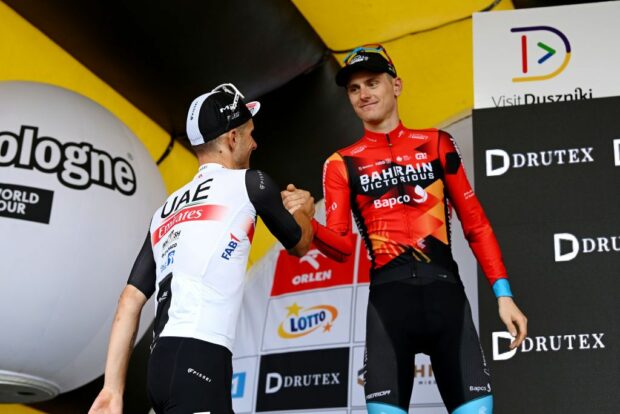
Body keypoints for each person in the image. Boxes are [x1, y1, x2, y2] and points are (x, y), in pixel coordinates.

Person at [282, 45, 527, 414]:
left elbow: (475, 223)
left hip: (447, 300)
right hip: (389, 307)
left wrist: (503, 294)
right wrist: (308, 222)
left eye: (373, 82)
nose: (364, 93)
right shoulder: (340, 164)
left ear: (396, 85)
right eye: (354, 88)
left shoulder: (436, 144)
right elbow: (344, 248)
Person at [89, 83, 314, 414]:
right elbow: (301, 244)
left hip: (161, 366)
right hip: (200, 358)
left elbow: (130, 299)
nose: (255, 143)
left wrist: (111, 389)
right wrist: (304, 210)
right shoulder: (251, 183)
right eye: (250, 134)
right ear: (232, 139)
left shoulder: (165, 209)